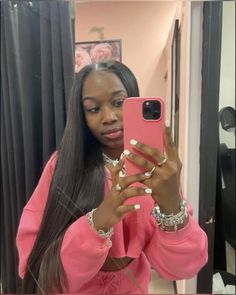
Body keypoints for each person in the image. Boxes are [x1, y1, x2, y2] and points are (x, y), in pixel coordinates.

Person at [16, 60, 208, 294]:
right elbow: (32, 260)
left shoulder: (155, 169)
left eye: (118, 103)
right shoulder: (63, 165)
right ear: (82, 115)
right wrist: (98, 222)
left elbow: (182, 268)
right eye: (94, 109)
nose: (108, 117)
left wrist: (171, 206)